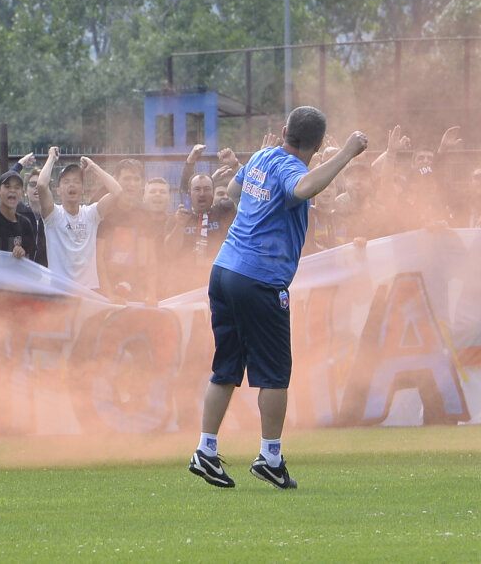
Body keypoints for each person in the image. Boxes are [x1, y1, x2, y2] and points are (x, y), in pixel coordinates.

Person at [189, 107, 367, 491]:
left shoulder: (262, 156)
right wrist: (347, 153)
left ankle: (206, 449)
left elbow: (235, 192)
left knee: (226, 367)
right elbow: (303, 187)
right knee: (274, 374)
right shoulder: (290, 168)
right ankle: (270, 457)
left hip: (223, 271)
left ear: (284, 130)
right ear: (318, 146)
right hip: (259, 280)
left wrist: (260, 210)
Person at [35, 148, 122, 288]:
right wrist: (51, 158)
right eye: (66, 181)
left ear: (82, 189)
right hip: (60, 289)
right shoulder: (53, 215)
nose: (71, 184)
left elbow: (117, 191)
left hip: (89, 289)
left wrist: (93, 167)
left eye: (76, 181)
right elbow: (41, 185)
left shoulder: (91, 214)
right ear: (58, 190)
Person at [95, 159, 156, 303]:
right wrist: (108, 294)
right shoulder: (104, 210)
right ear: (116, 180)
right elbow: (98, 259)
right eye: (127, 178)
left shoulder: (144, 213)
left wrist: (150, 294)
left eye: (136, 179)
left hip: (136, 291)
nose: (132, 184)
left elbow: (151, 258)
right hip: (106, 291)